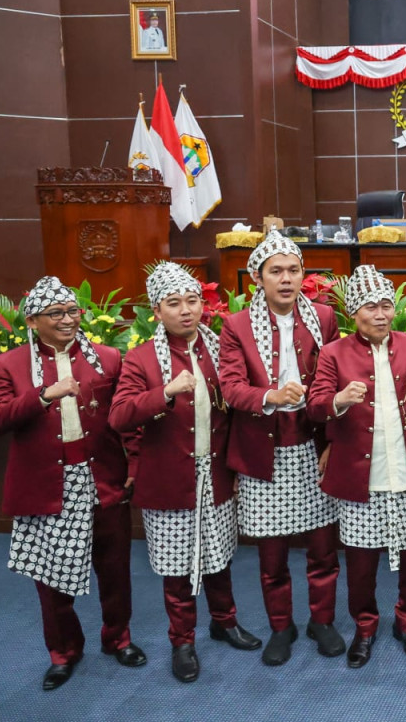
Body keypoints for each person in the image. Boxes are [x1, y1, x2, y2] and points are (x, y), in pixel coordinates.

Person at [0, 276, 146, 690]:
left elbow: (125, 419)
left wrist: (135, 466)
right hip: (46, 486)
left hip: (103, 479)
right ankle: (63, 653)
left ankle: (119, 639)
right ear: (33, 320)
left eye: (74, 311)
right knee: (52, 578)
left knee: (115, 569)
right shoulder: (9, 365)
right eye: (57, 314)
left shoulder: (107, 358)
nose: (69, 319)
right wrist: (42, 395)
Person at [109, 263, 262, 683]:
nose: (185, 310)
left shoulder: (221, 351)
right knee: (177, 570)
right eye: (173, 303)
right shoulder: (140, 359)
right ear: (157, 311)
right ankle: (182, 641)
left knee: (219, 557)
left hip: (216, 476)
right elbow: (119, 416)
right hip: (168, 480)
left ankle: (224, 621)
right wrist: (165, 392)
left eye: (192, 301)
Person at [307, 265, 406, 668]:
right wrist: (338, 401)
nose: (381, 314)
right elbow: (314, 407)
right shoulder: (334, 354)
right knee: (361, 563)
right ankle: (365, 628)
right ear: (354, 314)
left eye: (386, 305)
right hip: (359, 475)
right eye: (371, 307)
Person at [218, 230, 343, 666]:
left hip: (313, 444)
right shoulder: (234, 326)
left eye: (293, 270)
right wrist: (269, 396)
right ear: (258, 277)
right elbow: (231, 388)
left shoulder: (324, 318)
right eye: (276, 272)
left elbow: (335, 381)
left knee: (324, 548)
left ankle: (321, 620)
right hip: (263, 451)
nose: (286, 279)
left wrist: (332, 442)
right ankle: (280, 626)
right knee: (272, 554)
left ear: (303, 275)